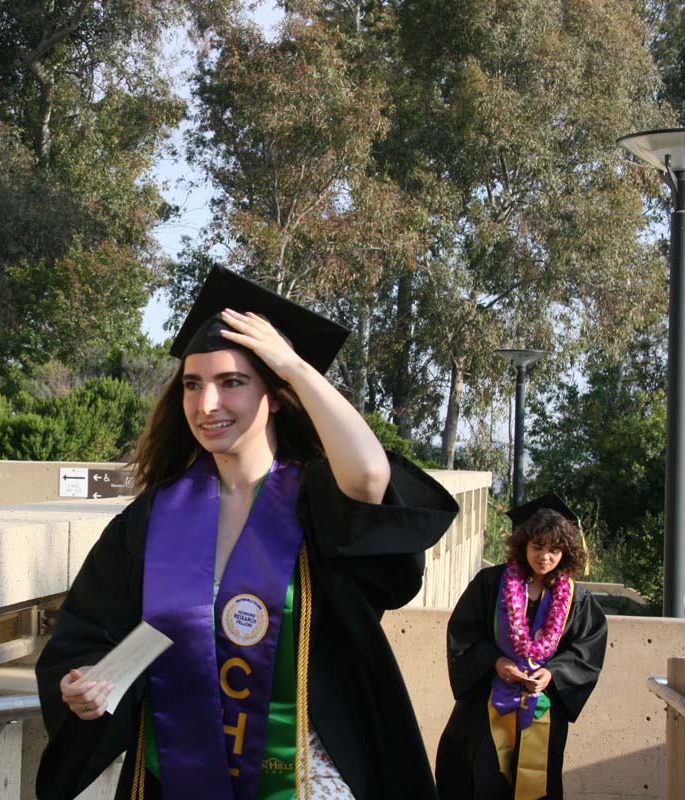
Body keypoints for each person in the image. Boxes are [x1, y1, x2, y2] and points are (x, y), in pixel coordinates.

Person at [35, 266, 460, 800]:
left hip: (300, 775)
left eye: (232, 382)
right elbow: (89, 634)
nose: (206, 404)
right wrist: (84, 683)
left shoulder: (315, 501)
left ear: (276, 395)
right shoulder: (153, 519)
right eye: (193, 385)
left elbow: (370, 476)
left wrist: (294, 366)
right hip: (178, 778)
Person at [435, 494, 608, 800]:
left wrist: (552, 673)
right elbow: (463, 632)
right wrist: (495, 661)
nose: (545, 557)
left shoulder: (576, 600)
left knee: (535, 785)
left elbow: (586, 649)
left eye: (554, 550)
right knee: (485, 779)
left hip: (542, 708)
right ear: (524, 544)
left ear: (566, 553)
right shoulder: (491, 583)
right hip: (487, 703)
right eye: (537, 546)